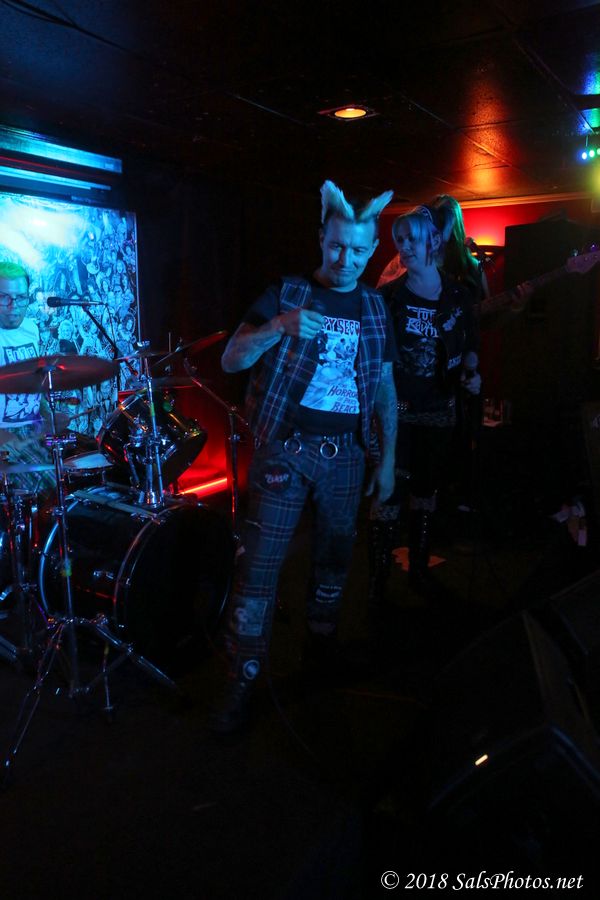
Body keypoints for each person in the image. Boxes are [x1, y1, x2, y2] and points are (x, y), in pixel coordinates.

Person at [210, 180, 398, 732]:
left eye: (359, 250)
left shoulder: (374, 306)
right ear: (321, 238)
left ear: (372, 249)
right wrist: (277, 327)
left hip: (348, 456)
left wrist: (387, 460)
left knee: (335, 562)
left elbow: (385, 389)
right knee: (259, 569)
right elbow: (230, 359)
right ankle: (240, 680)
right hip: (286, 451)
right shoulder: (286, 293)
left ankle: (320, 654)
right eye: (337, 246)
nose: (346, 260)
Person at [367, 204, 481, 607]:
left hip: (439, 412)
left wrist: (472, 373)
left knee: (426, 493)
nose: (405, 247)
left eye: (412, 238)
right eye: (399, 240)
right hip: (395, 413)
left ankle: (418, 572)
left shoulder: (459, 296)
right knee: (388, 497)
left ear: (433, 241)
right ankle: (378, 583)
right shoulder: (388, 298)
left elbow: (470, 346)